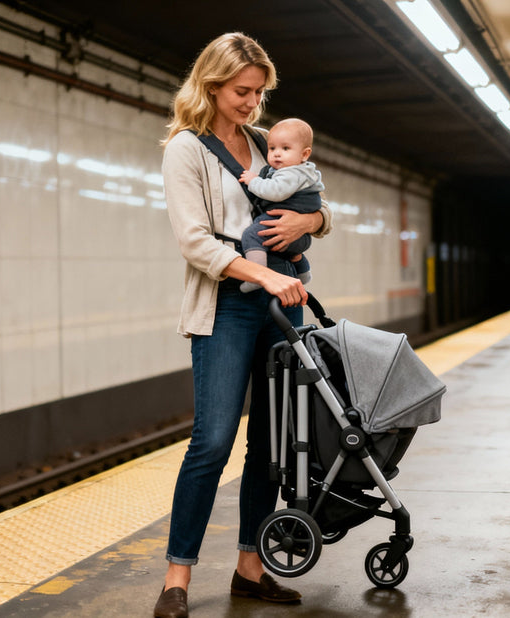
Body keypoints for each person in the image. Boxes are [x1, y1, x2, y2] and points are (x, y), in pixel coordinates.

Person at [156, 32, 332, 618]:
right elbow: (194, 242)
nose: (253, 104)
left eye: (259, 93)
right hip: (229, 302)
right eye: (242, 92)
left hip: (283, 303)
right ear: (211, 84)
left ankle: (249, 568)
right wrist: (262, 277)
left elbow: (318, 206)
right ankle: (176, 579)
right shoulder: (186, 149)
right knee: (213, 439)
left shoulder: (266, 143)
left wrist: (309, 222)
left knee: (273, 443)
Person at [237, 117, 324, 293]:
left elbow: (275, 191)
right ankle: (303, 272)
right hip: (299, 238)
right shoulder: (305, 171)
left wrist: (254, 181)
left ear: (305, 154)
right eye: (272, 148)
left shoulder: (290, 173)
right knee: (289, 251)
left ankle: (257, 276)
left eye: (285, 149)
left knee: (252, 235)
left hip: (286, 221)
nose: (277, 153)